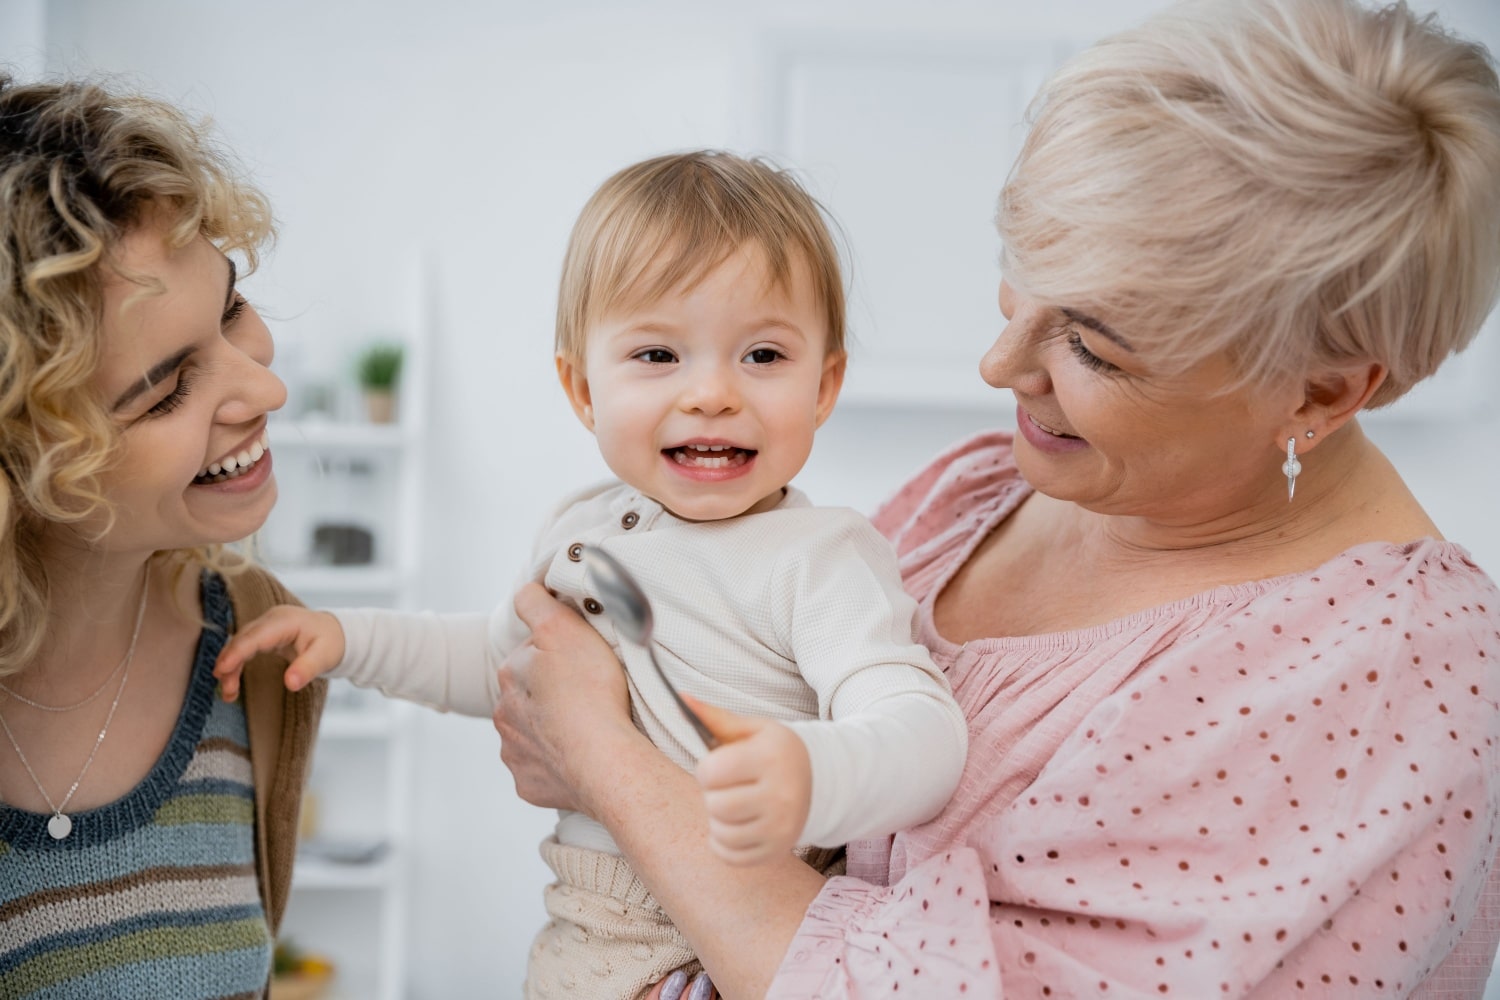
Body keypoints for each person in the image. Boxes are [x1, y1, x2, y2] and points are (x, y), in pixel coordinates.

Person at [489, 0, 1500, 997]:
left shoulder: (1393, 682)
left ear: (1321, 390)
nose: (998, 363)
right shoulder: (979, 487)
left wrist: (603, 754)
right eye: (1022, 280)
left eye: (1093, 346)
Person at [213, 150, 968, 1000]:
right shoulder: (583, 530)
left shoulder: (820, 557)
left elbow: (926, 737)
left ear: (825, 384)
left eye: (762, 356)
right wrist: (350, 638)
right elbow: (493, 663)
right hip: (582, 935)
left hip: (723, 942)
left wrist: (814, 775)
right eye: (657, 355)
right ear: (581, 388)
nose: (713, 393)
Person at [0, 75, 324, 999]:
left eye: (229, 310)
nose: (268, 393)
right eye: (167, 387)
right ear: (20, 460)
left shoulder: (259, 647)